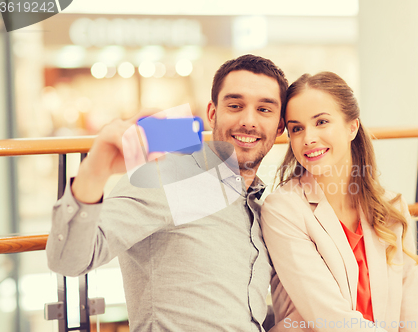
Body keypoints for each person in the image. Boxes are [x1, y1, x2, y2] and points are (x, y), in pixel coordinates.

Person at [46, 54, 287, 331]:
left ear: (279, 126)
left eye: (264, 110)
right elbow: (67, 260)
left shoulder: (260, 208)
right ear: (212, 113)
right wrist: (95, 171)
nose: (248, 120)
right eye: (235, 105)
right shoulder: (167, 174)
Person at [260, 72, 418, 332]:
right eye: (297, 128)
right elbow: (331, 319)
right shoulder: (283, 209)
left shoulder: (390, 207)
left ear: (352, 127)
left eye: (322, 121)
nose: (308, 138)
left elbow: (411, 313)